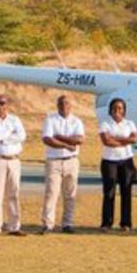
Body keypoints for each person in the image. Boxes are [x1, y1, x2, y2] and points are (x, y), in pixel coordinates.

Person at [0, 94, 27, 237]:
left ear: (7, 105)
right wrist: (10, 135)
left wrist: (4, 138)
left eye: (2, 103)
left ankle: (14, 226)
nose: (0, 106)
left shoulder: (15, 119)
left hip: (14, 160)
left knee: (14, 193)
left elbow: (22, 136)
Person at [41, 95, 85, 234]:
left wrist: (59, 137)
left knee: (70, 193)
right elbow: (48, 139)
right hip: (54, 161)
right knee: (52, 193)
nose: (64, 106)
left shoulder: (77, 121)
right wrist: (67, 144)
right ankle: (48, 224)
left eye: (67, 103)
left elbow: (80, 139)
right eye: (61, 103)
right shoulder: (50, 119)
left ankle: (67, 223)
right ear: (57, 105)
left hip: (71, 160)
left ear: (71, 105)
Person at [98, 97, 137, 231]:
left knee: (126, 191)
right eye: (115, 108)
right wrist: (124, 141)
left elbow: (134, 139)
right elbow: (106, 141)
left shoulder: (129, 123)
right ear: (110, 110)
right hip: (109, 161)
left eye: (120, 108)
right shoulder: (105, 123)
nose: (117, 110)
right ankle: (106, 223)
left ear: (124, 110)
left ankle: (126, 223)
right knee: (109, 192)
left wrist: (116, 139)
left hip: (126, 160)